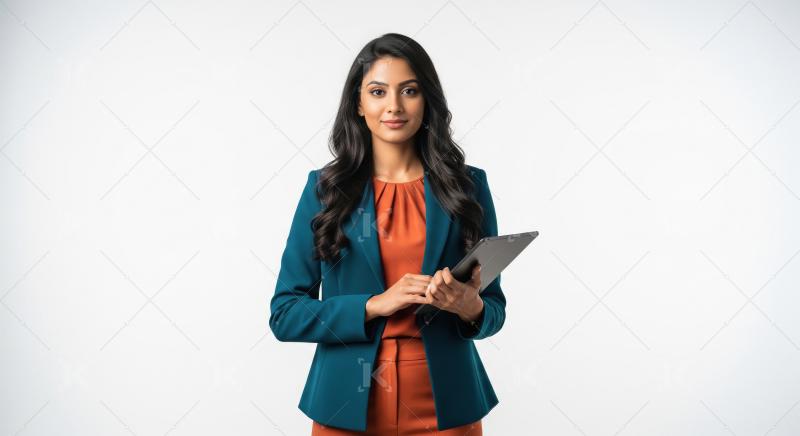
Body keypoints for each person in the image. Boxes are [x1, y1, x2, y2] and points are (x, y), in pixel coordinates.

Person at [270, 32, 506, 435]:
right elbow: (285, 314)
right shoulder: (324, 191)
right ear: (358, 104)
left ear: (427, 100)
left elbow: (494, 311)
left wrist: (471, 307)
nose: (394, 106)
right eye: (378, 92)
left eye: (409, 91)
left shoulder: (468, 187)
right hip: (345, 404)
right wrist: (374, 305)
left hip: (448, 406)